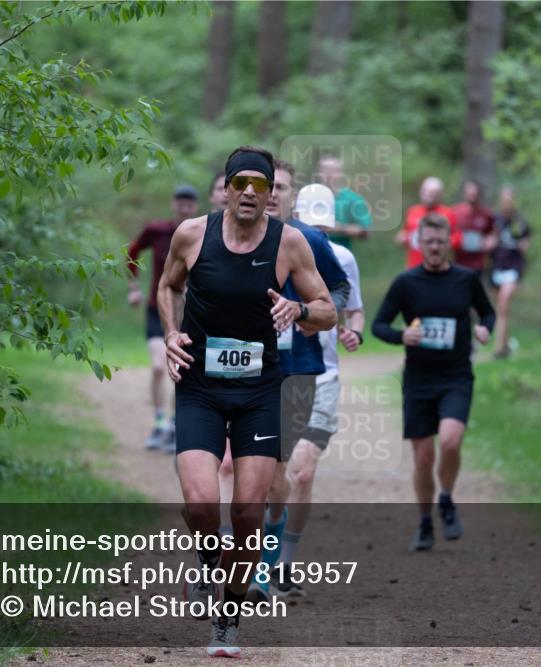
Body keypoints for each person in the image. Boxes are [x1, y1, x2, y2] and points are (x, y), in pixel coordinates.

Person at [158, 146, 336, 658]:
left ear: (271, 193)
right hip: (199, 387)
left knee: (248, 511)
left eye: (263, 185)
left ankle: (228, 618)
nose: (253, 193)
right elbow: (168, 287)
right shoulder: (192, 235)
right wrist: (171, 334)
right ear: (228, 188)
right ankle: (209, 564)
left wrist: (298, 308)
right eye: (243, 183)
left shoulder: (291, 244)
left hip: (260, 391)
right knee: (199, 504)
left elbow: (326, 311)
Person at [238, 162, 349, 601]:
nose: (273, 194)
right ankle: (238, 560)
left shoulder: (308, 241)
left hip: (296, 369)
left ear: (290, 195)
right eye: (268, 186)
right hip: (244, 365)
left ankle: (264, 567)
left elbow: (338, 292)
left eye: (281, 187)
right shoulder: (234, 237)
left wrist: (310, 316)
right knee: (243, 469)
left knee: (275, 476)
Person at [372, 213, 495, 552]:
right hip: (418, 380)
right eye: (429, 242)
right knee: (423, 457)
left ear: (449, 243)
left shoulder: (466, 280)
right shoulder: (406, 283)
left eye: (441, 241)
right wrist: (402, 335)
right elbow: (378, 325)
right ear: (419, 243)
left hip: (456, 376)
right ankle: (426, 521)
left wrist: (485, 328)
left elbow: (487, 312)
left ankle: (446, 498)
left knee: (452, 441)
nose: (436, 247)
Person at [272, 182, 365, 596]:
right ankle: (262, 560)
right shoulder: (277, 248)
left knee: (303, 471)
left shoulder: (340, 256)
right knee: (274, 473)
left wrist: (354, 333)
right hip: (284, 374)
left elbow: (354, 307)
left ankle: (284, 566)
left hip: (322, 375)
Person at [127, 185, 199, 452]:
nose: (184, 208)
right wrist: (133, 287)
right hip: (158, 308)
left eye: (189, 203)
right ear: (173, 204)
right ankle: (160, 423)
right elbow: (131, 252)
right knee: (159, 366)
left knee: (183, 371)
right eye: (180, 202)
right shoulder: (157, 231)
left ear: (195, 206)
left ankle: (178, 427)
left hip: (190, 313)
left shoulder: (199, 232)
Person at [489, 186, 532, 360]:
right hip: (496, 267)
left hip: (513, 268)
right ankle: (505, 344)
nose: (507, 204)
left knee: (503, 303)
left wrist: (523, 244)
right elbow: (488, 240)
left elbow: (527, 242)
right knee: (500, 310)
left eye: (510, 200)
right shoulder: (494, 220)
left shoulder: (520, 222)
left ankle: (498, 348)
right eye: (504, 200)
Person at [397, 176, 459, 268]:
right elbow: (406, 232)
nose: (427, 195)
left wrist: (443, 243)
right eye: (425, 192)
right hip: (414, 265)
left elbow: (458, 237)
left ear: (440, 195)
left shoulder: (448, 213)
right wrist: (402, 237)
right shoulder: (413, 211)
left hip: (438, 265)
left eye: (432, 193)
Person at [316, 155, 372, 248]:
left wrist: (338, 228)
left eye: (333, 170)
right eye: (325, 170)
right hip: (309, 255)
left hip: (340, 256)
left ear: (341, 173)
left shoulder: (353, 199)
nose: (328, 174)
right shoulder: (308, 196)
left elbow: (366, 232)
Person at [452, 179, 496, 279]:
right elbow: (446, 233)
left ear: (479, 194)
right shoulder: (455, 212)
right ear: (464, 193)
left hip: (477, 264)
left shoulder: (486, 214)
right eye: (470, 193)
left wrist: (490, 241)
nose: (472, 196)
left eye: (474, 193)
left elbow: (492, 233)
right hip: (457, 262)